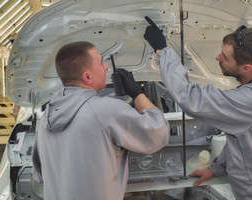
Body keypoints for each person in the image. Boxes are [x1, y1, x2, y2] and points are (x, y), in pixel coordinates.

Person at [143, 16, 252, 199]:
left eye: (225, 57)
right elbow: (245, 139)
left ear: (246, 68)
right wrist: (216, 169)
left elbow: (190, 98)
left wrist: (162, 51)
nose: (217, 57)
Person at [32, 41, 169, 200]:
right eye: (101, 63)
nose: (106, 67)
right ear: (87, 77)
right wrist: (137, 93)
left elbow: (40, 174)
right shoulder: (106, 110)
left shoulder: (46, 119)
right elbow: (159, 133)